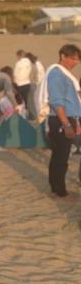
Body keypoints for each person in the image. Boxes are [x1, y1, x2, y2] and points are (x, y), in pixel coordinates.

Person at [44, 44, 81, 197]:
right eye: (72, 58)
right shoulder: (57, 74)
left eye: (77, 59)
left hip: (68, 118)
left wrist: (76, 123)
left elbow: (71, 101)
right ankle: (60, 191)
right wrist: (66, 124)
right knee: (61, 157)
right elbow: (57, 101)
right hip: (60, 119)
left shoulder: (64, 75)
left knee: (59, 155)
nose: (75, 62)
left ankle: (55, 187)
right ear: (62, 56)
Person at [13, 50, 32, 116]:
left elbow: (15, 74)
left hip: (19, 84)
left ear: (19, 55)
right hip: (27, 83)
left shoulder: (18, 63)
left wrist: (14, 82)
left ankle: (21, 115)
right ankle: (27, 114)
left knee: (19, 101)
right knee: (27, 100)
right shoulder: (29, 62)